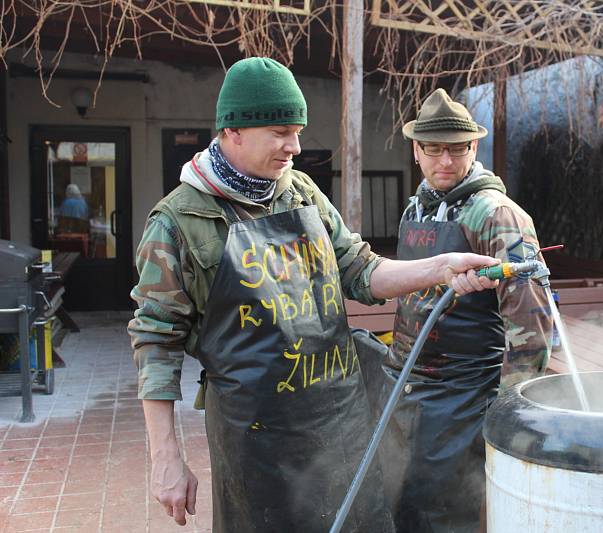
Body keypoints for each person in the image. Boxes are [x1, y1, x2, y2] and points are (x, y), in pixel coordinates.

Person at [127, 58, 500, 533]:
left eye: (298, 131)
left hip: (339, 420)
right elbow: (156, 341)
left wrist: (440, 268)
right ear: (234, 132)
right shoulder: (179, 222)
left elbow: (361, 271)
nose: (296, 147)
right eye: (282, 132)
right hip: (257, 440)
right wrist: (166, 458)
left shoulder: (301, 193)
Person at [382, 88, 554, 532]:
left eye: (456, 151)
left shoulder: (496, 215)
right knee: (401, 501)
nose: (445, 162)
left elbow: (532, 324)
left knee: (445, 513)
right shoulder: (415, 209)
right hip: (407, 385)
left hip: (463, 397)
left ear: (473, 148)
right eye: (434, 150)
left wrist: (509, 411)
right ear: (416, 150)